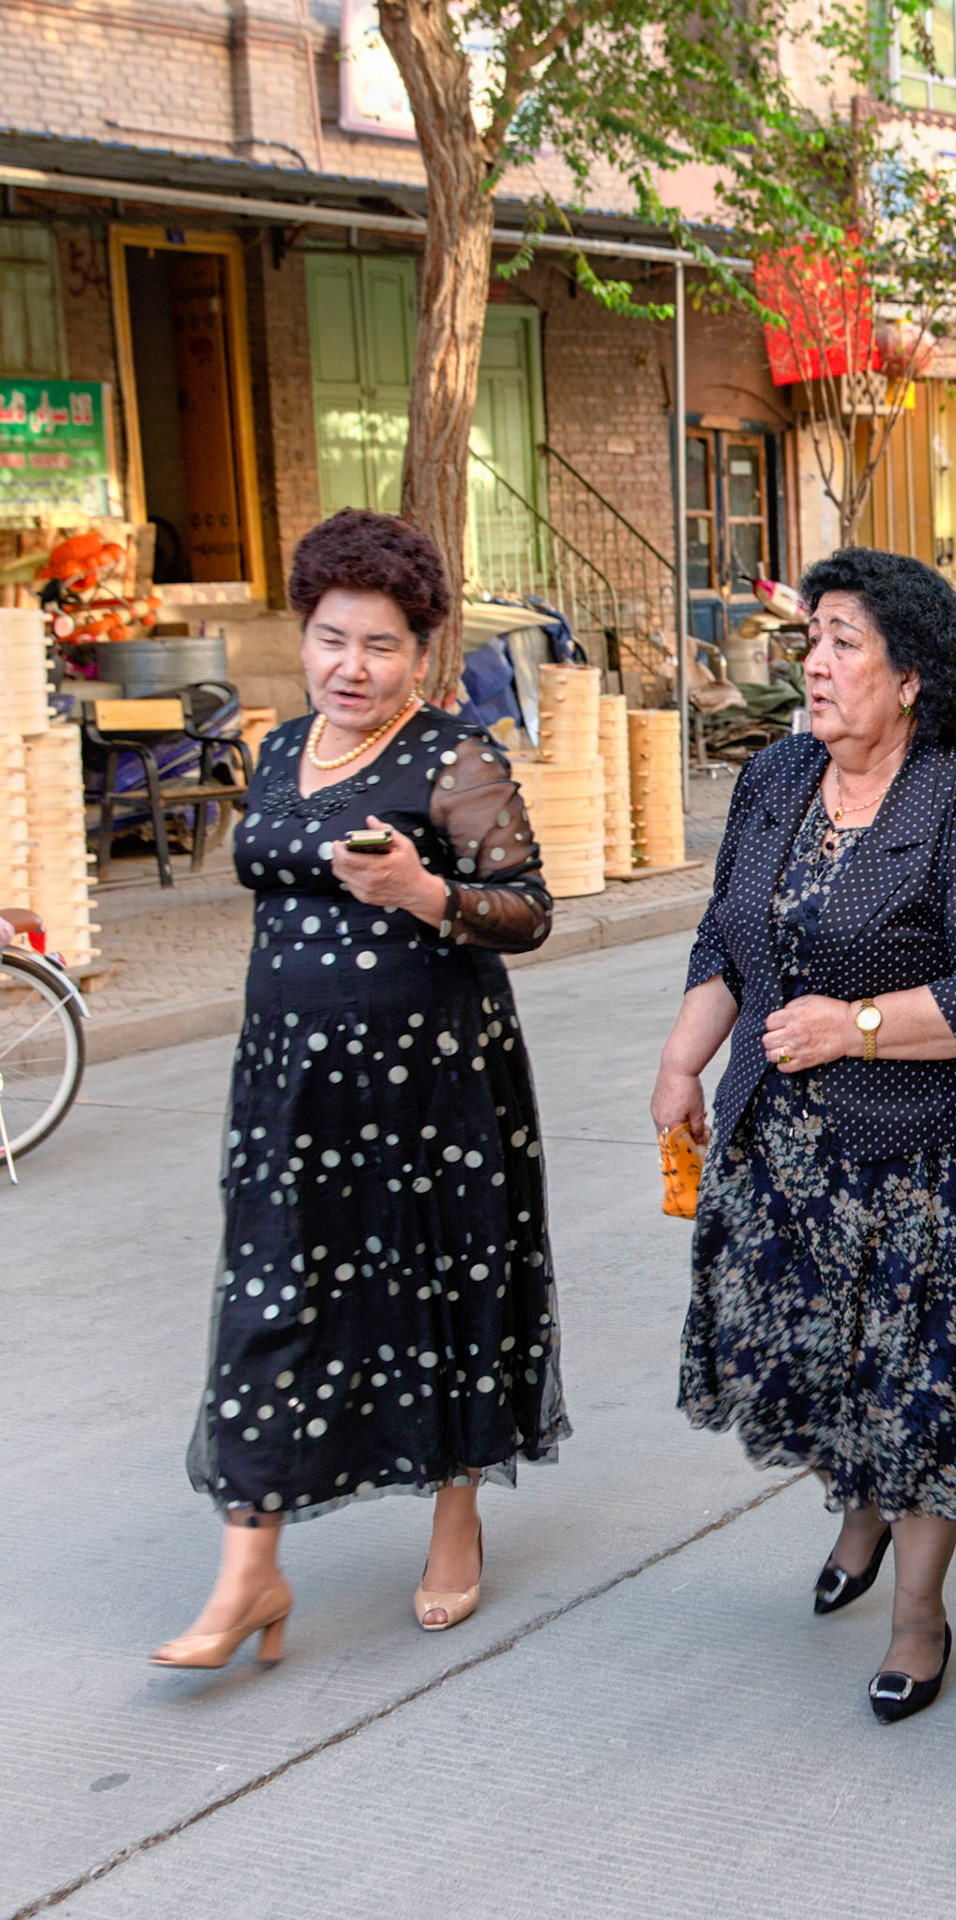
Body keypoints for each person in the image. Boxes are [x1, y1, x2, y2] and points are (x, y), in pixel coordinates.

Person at [153, 510, 566, 1669]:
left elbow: (529, 909)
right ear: (305, 635)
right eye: (333, 639)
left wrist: (424, 895)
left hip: (432, 1084)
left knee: (438, 1286)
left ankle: (455, 1514)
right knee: (267, 1300)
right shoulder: (282, 751)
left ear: (422, 655)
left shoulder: (454, 759)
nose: (352, 666)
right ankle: (250, 1571)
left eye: (381, 645)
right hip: (289, 1086)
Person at [656, 548, 956, 1722]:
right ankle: (856, 1505)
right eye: (810, 641)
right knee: (828, 1374)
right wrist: (684, 1058)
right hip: (786, 1154)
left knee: (919, 1398)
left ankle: (918, 1614)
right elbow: (730, 939)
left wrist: (857, 1025)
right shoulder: (773, 779)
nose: (815, 667)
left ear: (911, 675)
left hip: (921, 1157)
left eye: (842, 644)